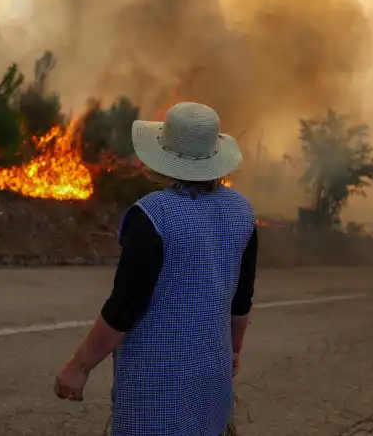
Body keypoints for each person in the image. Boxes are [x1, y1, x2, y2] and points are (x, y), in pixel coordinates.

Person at [54, 102, 258, 436]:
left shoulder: (153, 216)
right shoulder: (242, 211)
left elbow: (124, 309)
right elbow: (240, 304)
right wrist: (232, 352)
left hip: (155, 390)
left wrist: (79, 366)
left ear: (165, 158)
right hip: (212, 378)